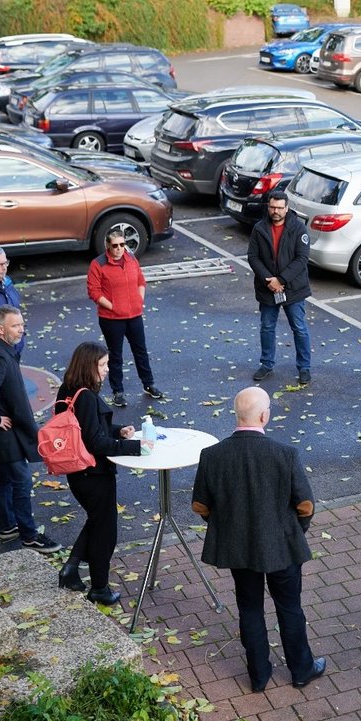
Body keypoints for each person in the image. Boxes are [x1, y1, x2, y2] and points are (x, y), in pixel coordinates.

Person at [191, 386, 325, 692]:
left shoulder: (212, 455)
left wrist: (226, 524)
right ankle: (301, 670)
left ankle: (259, 675)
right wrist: (294, 529)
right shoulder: (285, 454)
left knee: (249, 609)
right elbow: (305, 505)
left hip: (239, 548)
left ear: (237, 415)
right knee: (290, 607)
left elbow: (201, 505)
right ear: (264, 416)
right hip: (281, 545)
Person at [56, 341, 150, 605]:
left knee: (97, 521)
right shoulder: (85, 396)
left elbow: (85, 429)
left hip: (78, 471)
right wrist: (136, 447)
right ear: (88, 365)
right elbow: (95, 443)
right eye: (102, 364)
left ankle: (71, 568)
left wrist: (117, 429)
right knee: (105, 531)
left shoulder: (68, 389)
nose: (107, 369)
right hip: (93, 474)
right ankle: (99, 588)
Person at [0, 305, 61, 554]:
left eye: (22, 324)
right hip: (3, 434)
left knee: (4, 479)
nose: (21, 329)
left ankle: (6, 527)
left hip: (3, 433)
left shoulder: (4, 351)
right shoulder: (0, 356)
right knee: (22, 481)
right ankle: (29, 535)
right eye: (16, 325)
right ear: (1, 329)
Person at [87, 228, 163, 408]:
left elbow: (140, 281)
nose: (119, 248)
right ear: (108, 246)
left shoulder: (131, 259)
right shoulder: (98, 264)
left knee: (141, 351)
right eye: (115, 245)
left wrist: (139, 300)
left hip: (134, 315)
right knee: (115, 355)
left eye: (123, 244)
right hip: (111, 319)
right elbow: (94, 291)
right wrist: (114, 307)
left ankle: (148, 384)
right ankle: (118, 391)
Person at [247, 191, 312, 384]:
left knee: (299, 328)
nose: (275, 211)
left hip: (293, 288)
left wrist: (281, 280)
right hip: (268, 288)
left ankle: (304, 367)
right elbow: (253, 257)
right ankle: (266, 364)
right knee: (267, 327)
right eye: (272, 207)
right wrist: (270, 280)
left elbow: (302, 259)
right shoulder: (259, 228)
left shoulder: (298, 229)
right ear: (268, 206)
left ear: (287, 208)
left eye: (279, 208)